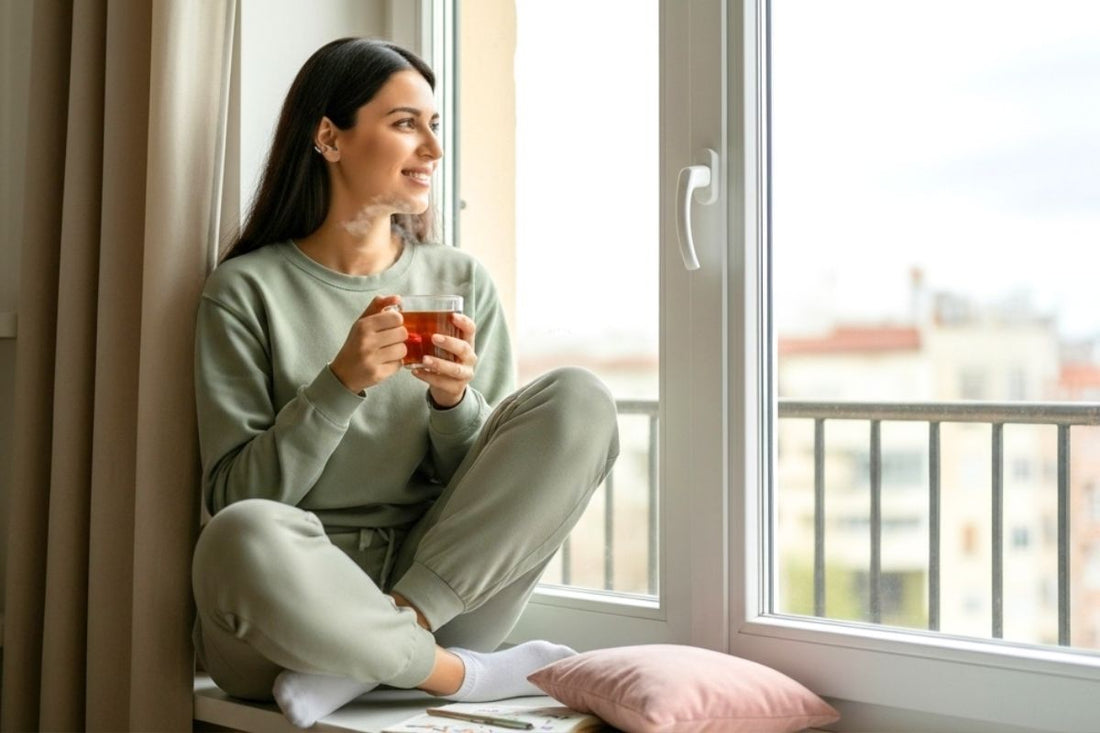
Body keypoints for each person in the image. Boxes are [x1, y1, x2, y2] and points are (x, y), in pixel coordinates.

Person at [190, 37, 620, 729]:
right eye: (404, 123)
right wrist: (339, 384)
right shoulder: (245, 291)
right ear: (329, 137)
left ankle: (375, 650)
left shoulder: (460, 281)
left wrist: (454, 405)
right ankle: (456, 675)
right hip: (289, 619)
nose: (433, 149)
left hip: (443, 598)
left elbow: (482, 493)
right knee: (239, 533)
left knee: (580, 399)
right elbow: (239, 496)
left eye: (435, 125)